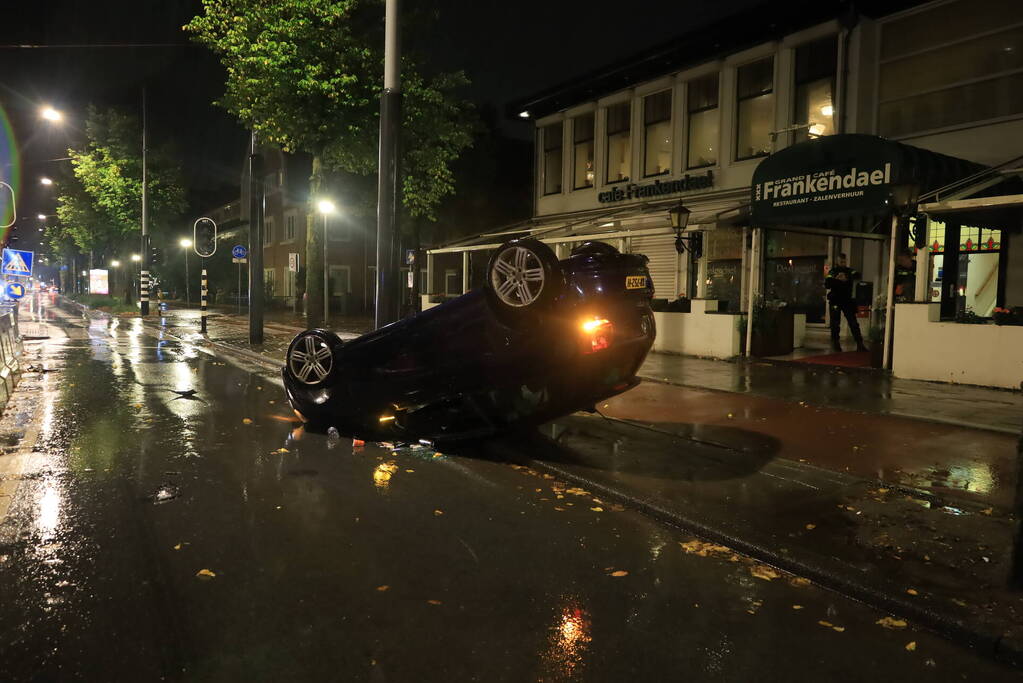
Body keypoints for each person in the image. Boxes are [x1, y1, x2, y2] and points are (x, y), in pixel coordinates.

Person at [824, 253, 867, 352]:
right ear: (837, 262)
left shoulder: (849, 271)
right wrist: (838, 280)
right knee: (835, 323)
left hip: (847, 300)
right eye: (841, 262)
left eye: (844, 261)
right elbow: (827, 284)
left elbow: (858, 275)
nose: (843, 263)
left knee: (853, 322)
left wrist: (846, 278)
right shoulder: (833, 271)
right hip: (835, 300)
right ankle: (836, 343)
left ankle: (859, 343)